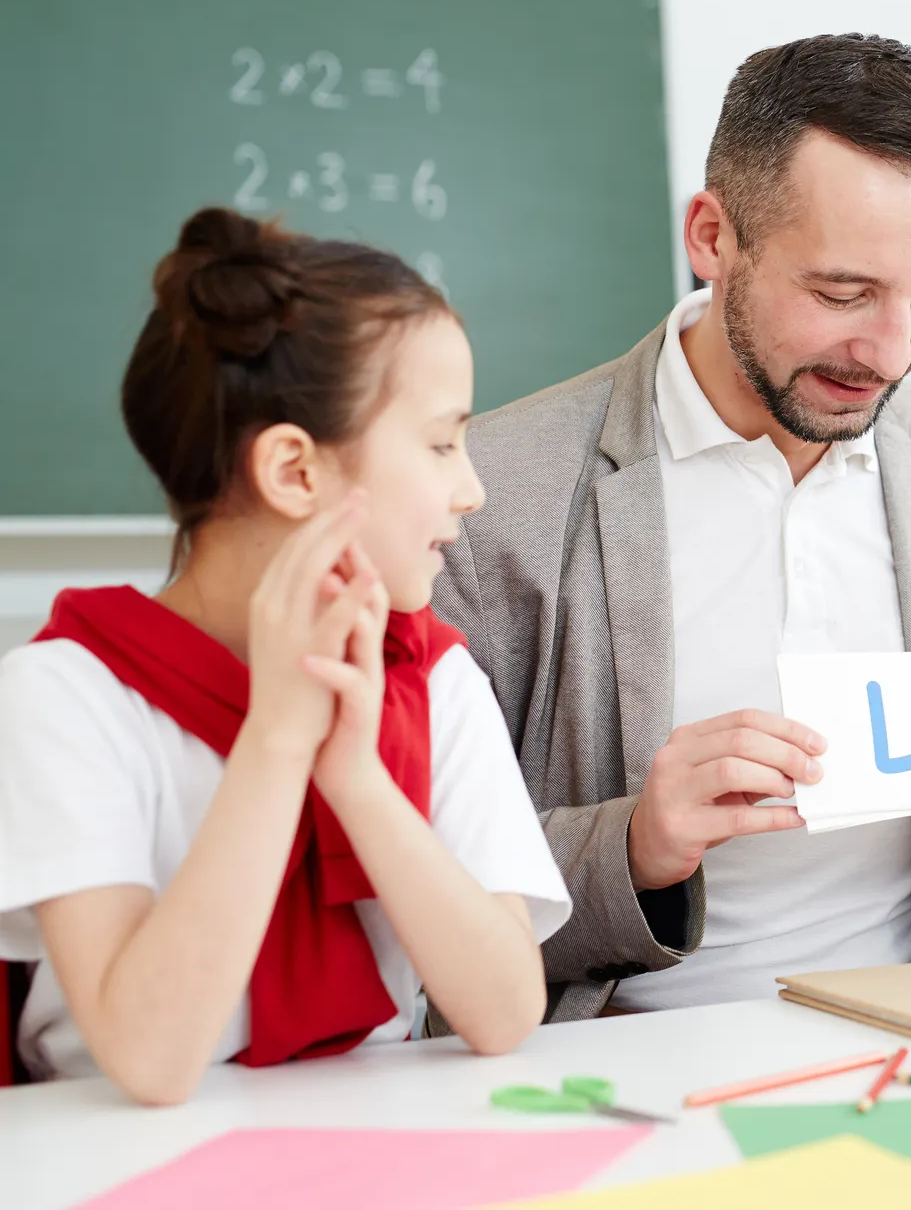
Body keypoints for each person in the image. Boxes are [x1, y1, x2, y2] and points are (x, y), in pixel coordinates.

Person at [434, 33, 911, 1019]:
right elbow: (414, 891)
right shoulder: (492, 492)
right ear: (712, 237)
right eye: (842, 293)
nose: (889, 351)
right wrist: (635, 845)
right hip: (617, 1066)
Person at [0, 210, 568, 1101]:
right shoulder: (62, 695)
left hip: (377, 1144)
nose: (471, 488)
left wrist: (357, 779)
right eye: (438, 442)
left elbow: (501, 1014)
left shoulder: (434, 680)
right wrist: (274, 744)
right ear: (295, 473)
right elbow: (149, 1064)